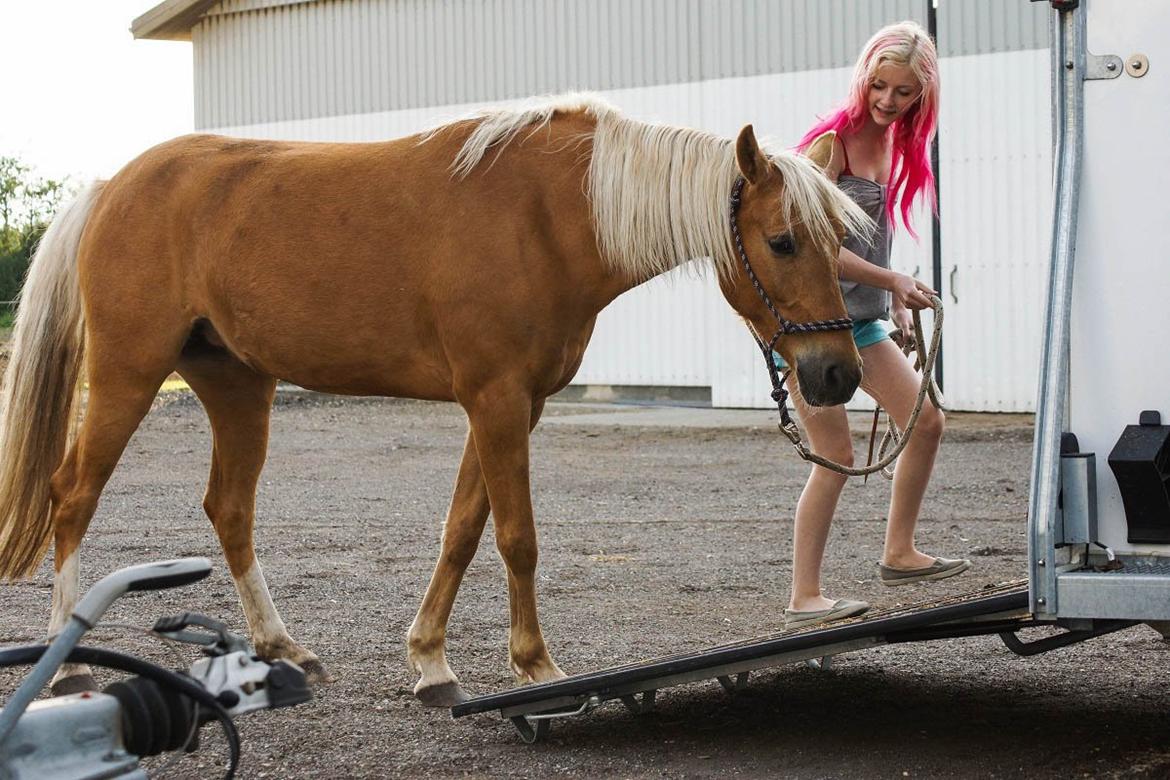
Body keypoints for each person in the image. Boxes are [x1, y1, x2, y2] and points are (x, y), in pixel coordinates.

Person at [781, 20, 970, 630]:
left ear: (923, 96)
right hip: (810, 327)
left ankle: (899, 552)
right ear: (863, 78)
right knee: (834, 453)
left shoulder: (893, 146)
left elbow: (873, 243)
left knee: (926, 422)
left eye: (904, 92)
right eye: (880, 86)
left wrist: (892, 304)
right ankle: (804, 595)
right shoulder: (829, 147)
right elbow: (812, 248)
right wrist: (894, 284)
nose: (888, 101)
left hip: (860, 321)